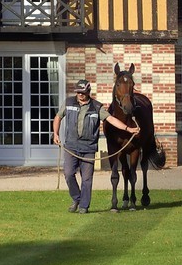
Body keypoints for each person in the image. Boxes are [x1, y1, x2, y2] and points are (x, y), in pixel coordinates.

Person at [52, 78, 138, 213]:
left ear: (88, 92)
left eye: (83, 92)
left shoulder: (97, 107)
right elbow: (58, 117)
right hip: (71, 146)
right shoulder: (68, 103)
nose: (80, 95)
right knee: (68, 174)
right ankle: (77, 198)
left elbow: (111, 119)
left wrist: (128, 129)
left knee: (87, 179)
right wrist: (55, 134)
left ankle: (84, 206)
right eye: (78, 92)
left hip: (88, 149)